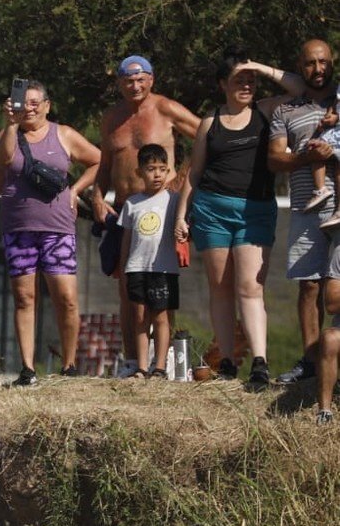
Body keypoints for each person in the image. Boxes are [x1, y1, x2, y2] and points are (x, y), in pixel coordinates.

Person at [175, 49, 283, 388]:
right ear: (223, 84)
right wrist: (182, 216)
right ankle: (226, 360)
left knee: (250, 287)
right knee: (220, 288)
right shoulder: (210, 122)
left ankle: (260, 363)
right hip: (212, 211)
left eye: (251, 80)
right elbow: (194, 173)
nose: (247, 85)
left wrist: (261, 65)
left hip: (255, 210)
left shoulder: (266, 112)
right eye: (239, 79)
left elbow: (299, 90)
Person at [91, 56, 201, 377]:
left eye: (141, 80)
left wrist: (180, 181)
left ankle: (162, 365)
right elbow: (106, 163)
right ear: (119, 83)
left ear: (152, 79)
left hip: (163, 209)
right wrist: (98, 195)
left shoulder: (166, 108)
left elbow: (205, 136)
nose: (135, 86)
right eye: (128, 81)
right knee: (128, 288)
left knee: (162, 290)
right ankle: (132, 362)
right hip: (128, 211)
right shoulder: (112, 118)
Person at [0, 78, 101, 385]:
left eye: (33, 103)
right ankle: (28, 368)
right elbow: (3, 160)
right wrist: (10, 124)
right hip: (18, 227)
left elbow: (98, 160)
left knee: (66, 298)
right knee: (24, 298)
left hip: (57, 228)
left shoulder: (63, 133)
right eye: (22, 102)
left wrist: (77, 189)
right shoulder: (9, 134)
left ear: (46, 106)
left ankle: (69, 366)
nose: (27, 108)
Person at [248, 41, 338, 384]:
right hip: (305, 208)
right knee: (310, 287)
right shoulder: (287, 110)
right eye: (311, 63)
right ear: (300, 67)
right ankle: (312, 361)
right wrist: (307, 158)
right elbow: (274, 160)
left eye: (324, 62)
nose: (318, 69)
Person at [117, 144, 182, 377]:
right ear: (139, 172)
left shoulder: (174, 200)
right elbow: (126, 240)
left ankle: (161, 366)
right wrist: (124, 269)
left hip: (163, 268)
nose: (157, 174)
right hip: (136, 267)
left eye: (162, 169)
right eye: (151, 168)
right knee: (140, 317)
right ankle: (142, 367)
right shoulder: (132, 203)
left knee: (161, 316)